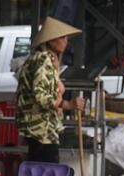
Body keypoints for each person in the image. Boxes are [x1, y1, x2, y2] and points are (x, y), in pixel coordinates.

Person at [16, 17, 85, 164]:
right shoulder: (43, 60)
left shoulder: (47, 59)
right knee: (45, 169)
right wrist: (68, 105)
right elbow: (40, 95)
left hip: (44, 128)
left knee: (42, 170)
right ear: (52, 40)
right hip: (40, 129)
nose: (66, 42)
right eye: (63, 38)